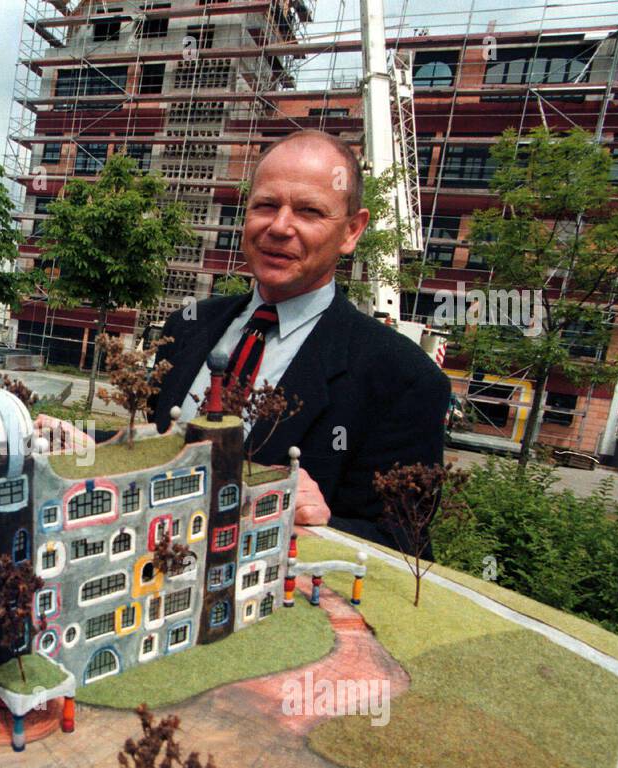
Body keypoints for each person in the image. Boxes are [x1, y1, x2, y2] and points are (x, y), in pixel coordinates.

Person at [150, 130, 450, 551]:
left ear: (351, 231)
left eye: (309, 211)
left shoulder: (403, 379)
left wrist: (325, 526)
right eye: (266, 205)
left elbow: (406, 546)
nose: (279, 226)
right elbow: (150, 446)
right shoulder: (185, 327)